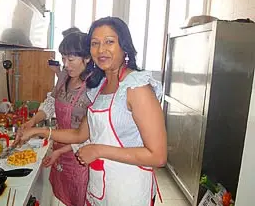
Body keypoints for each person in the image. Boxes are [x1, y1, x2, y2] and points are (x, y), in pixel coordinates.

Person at [15, 17, 167, 206]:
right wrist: (37, 130)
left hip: (129, 191)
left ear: (124, 46)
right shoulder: (100, 87)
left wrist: (98, 150)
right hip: (101, 187)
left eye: (109, 42)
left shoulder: (137, 88)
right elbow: (80, 134)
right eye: (95, 43)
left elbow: (158, 156)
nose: (101, 50)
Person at [21, 31, 92, 206]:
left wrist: (61, 150)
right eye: (63, 59)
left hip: (81, 155)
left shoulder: (94, 87)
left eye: (71, 59)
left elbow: (91, 134)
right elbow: (51, 103)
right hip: (60, 150)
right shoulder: (64, 77)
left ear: (87, 58)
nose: (66, 65)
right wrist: (32, 121)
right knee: (62, 197)